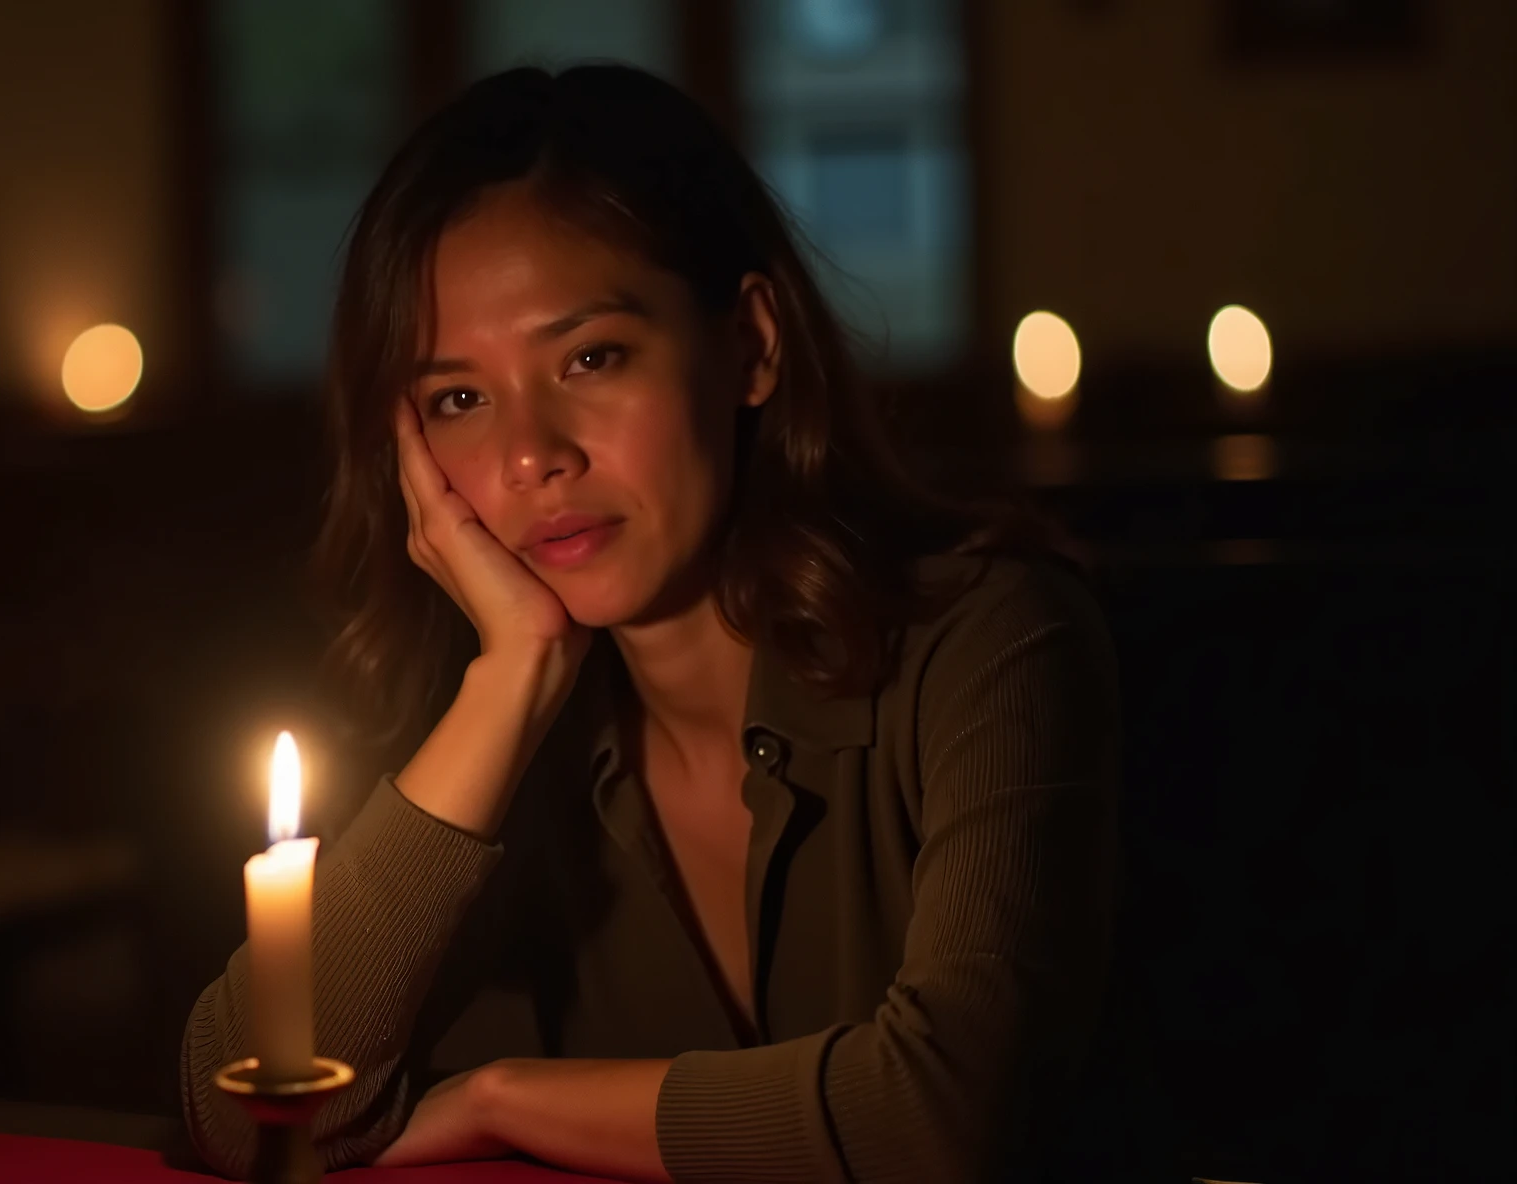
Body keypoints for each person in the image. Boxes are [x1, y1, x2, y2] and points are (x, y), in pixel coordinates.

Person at [181, 64, 1119, 1184]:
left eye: (590, 357)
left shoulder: (989, 638)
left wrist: (504, 1099)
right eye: (458, 399)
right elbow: (245, 1115)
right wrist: (512, 676)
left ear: (749, 346)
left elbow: (941, 1117)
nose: (532, 454)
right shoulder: (489, 733)